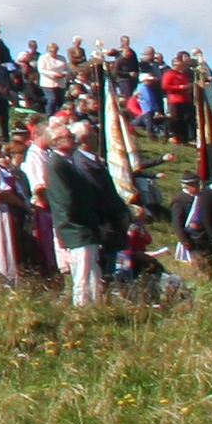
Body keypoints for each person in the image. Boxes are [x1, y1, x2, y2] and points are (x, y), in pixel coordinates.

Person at [40, 114, 126, 306]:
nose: (74, 139)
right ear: (57, 141)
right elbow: (68, 200)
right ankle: (82, 309)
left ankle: (96, 305)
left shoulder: (69, 163)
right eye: (69, 136)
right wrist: (92, 222)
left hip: (87, 226)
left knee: (93, 270)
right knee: (83, 272)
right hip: (77, 227)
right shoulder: (57, 164)